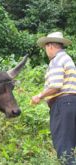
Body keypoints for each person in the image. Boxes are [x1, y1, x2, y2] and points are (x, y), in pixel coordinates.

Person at [31, 31, 76, 164]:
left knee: (64, 147)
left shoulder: (57, 60)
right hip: (72, 103)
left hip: (63, 105)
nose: (46, 51)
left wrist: (39, 96)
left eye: (45, 48)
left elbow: (56, 85)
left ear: (50, 46)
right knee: (70, 144)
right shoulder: (67, 59)